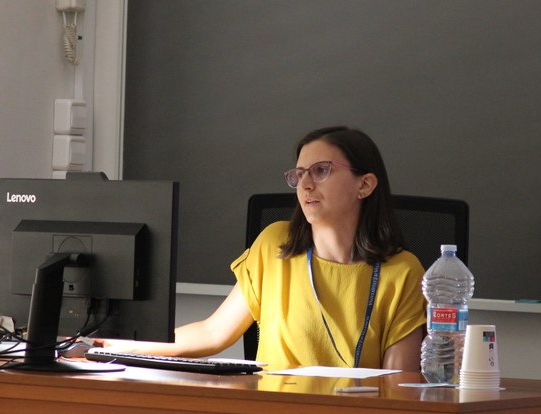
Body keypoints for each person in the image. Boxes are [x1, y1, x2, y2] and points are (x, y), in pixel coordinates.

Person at [99, 126, 426, 370]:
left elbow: (398, 385)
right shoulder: (275, 245)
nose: (306, 184)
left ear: (364, 184)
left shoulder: (403, 272)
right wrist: (115, 346)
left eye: (321, 171)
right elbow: (213, 333)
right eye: (299, 174)